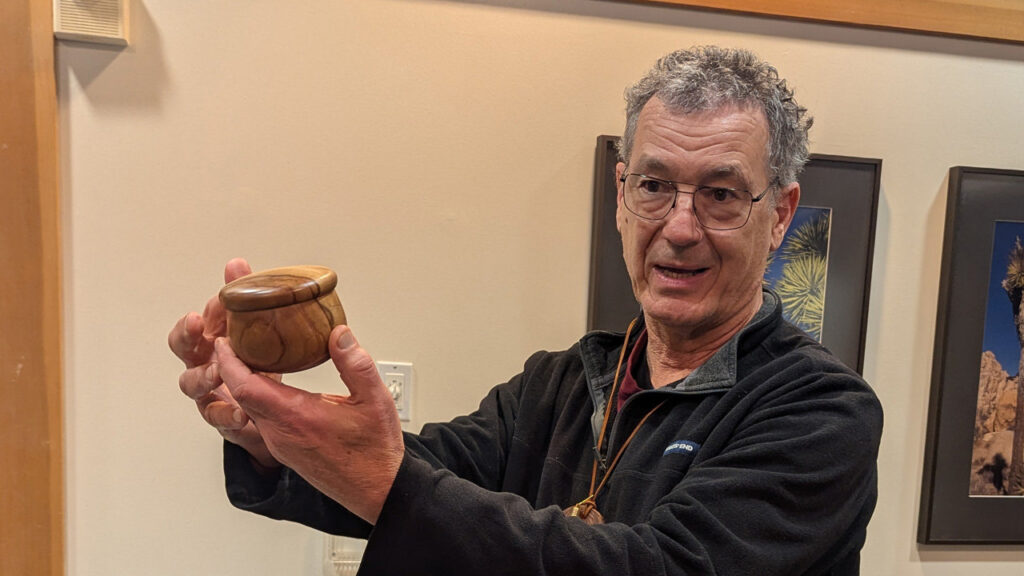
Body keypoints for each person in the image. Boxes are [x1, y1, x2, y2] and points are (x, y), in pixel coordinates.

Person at [170, 46, 883, 575]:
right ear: (620, 194)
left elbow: (659, 566)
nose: (680, 226)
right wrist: (267, 433)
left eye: (722, 194)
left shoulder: (822, 413)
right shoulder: (565, 381)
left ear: (781, 213)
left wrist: (384, 477)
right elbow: (420, 472)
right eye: (655, 185)